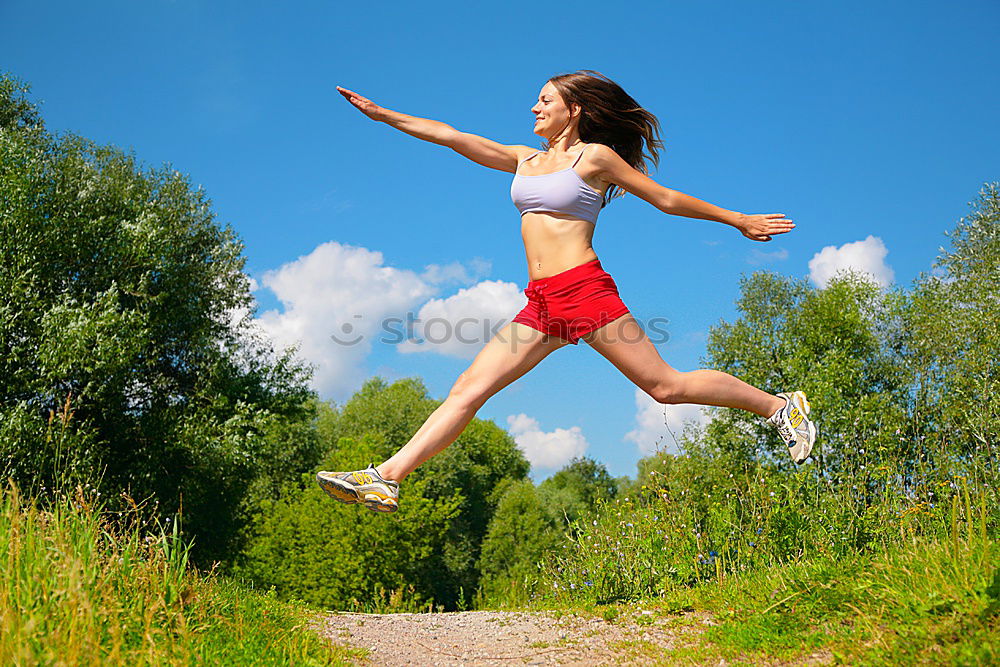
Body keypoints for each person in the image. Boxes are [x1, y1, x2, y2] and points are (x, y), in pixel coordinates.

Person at [318, 70, 817, 513]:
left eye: (545, 100)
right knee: (468, 389)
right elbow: (453, 137)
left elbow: (665, 199)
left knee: (665, 387)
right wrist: (382, 115)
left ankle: (779, 407)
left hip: (583, 291)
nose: (535, 108)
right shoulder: (523, 159)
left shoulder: (594, 157)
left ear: (573, 110)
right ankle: (386, 479)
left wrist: (737, 220)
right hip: (541, 303)